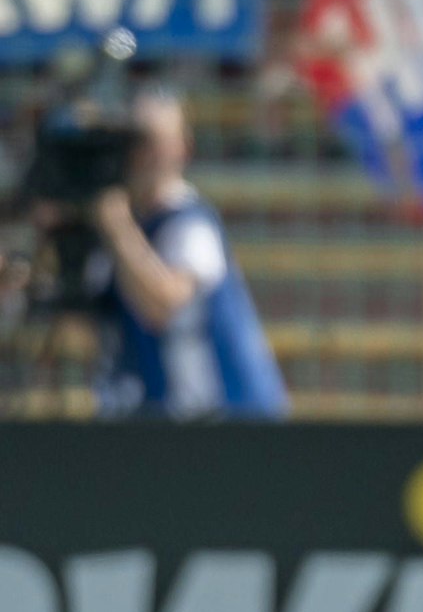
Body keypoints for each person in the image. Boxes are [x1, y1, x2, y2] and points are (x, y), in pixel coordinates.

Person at [88, 90, 288, 419]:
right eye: (136, 141)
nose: (144, 154)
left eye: (155, 140)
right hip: (156, 420)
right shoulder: (124, 226)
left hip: (226, 422)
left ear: (183, 147)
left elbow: (164, 305)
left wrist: (117, 228)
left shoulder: (190, 222)